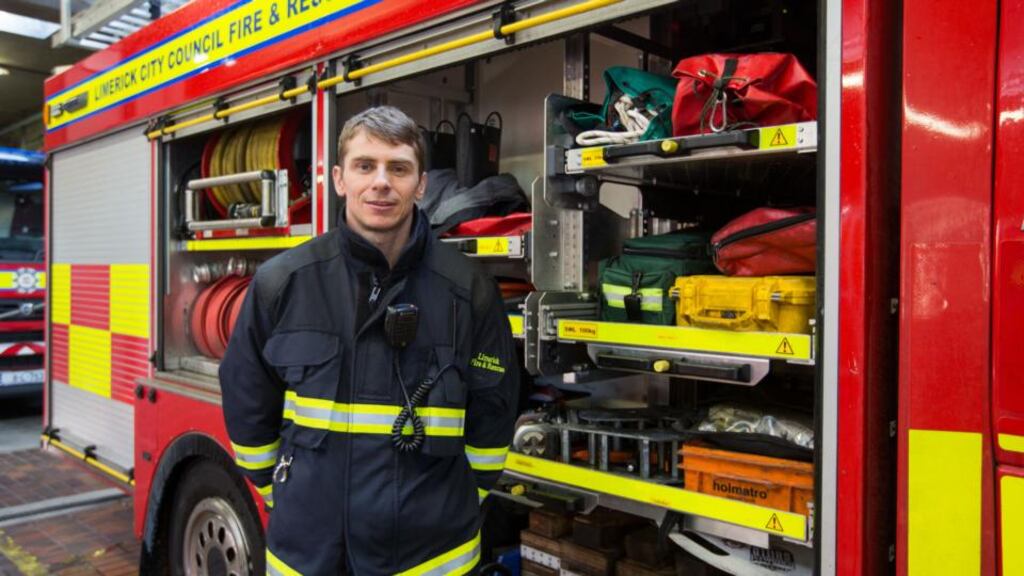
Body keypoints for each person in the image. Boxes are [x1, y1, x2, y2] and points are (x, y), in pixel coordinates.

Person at [219, 106, 519, 575]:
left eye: (398, 168)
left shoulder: (470, 290)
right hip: (310, 553)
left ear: (420, 183)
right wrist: (282, 493)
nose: (381, 182)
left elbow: (493, 415)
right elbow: (246, 399)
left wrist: (462, 499)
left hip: (431, 556)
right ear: (339, 178)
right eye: (365, 166)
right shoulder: (282, 283)